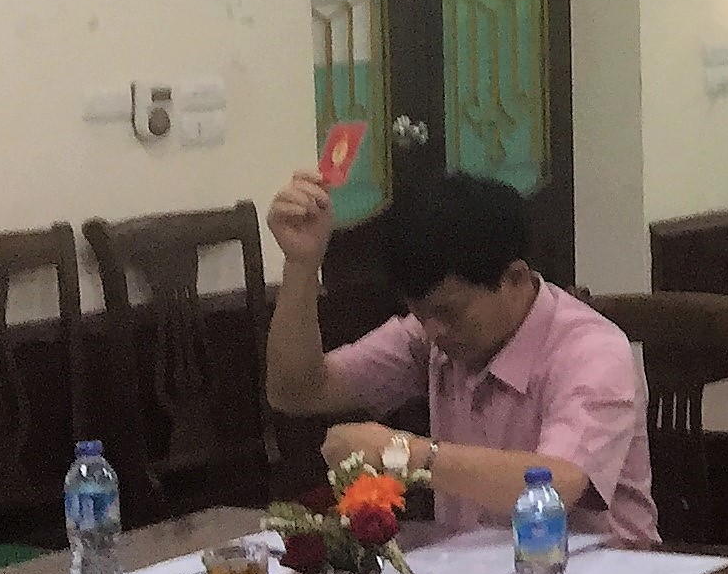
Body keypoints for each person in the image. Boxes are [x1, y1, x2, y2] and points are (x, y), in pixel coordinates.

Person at [264, 169, 656, 544]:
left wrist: (403, 453)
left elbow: (556, 485)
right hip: (473, 572)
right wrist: (301, 265)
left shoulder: (591, 350)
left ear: (515, 278)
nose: (434, 331)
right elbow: (297, 392)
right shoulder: (430, 336)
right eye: (420, 313)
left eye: (449, 312)